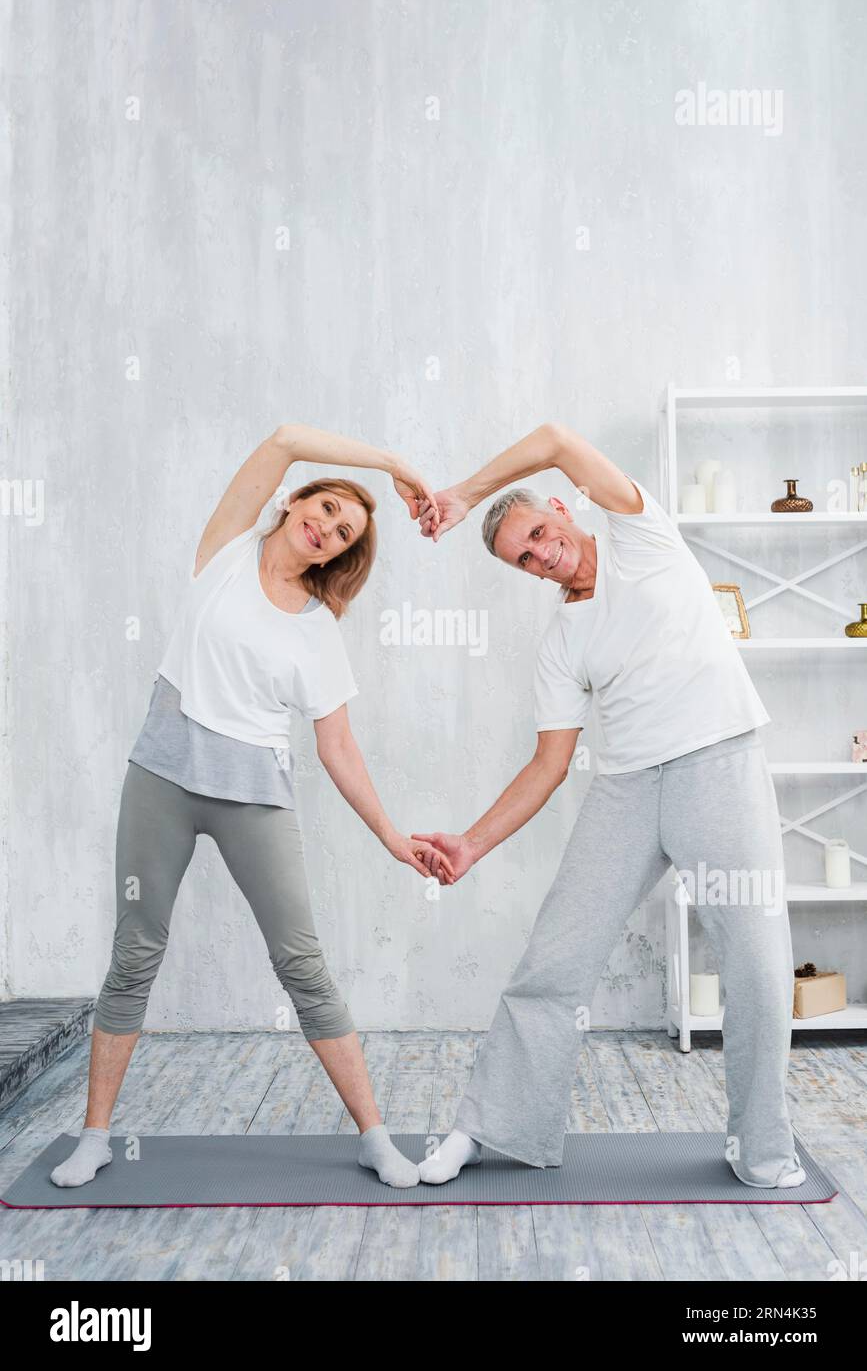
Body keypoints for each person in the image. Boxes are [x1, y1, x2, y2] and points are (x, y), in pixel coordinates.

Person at [50, 423, 454, 1192]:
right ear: (296, 498)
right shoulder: (226, 547)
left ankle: (374, 1137)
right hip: (160, 780)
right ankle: (95, 1135)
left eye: (342, 533)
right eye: (327, 507)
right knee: (134, 954)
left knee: (301, 965)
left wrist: (391, 836)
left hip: (254, 799)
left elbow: (338, 750)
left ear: (337, 556)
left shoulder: (316, 633)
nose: (327, 527)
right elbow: (284, 436)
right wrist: (395, 465)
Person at [411, 420, 805, 1190]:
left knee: (755, 962)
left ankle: (760, 1146)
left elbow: (556, 438)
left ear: (562, 508)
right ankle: (484, 1127)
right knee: (553, 960)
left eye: (534, 533)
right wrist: (470, 843)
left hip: (717, 764)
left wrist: (463, 494)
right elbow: (548, 765)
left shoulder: (639, 536)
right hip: (624, 791)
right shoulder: (562, 640)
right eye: (521, 559)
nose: (537, 554)